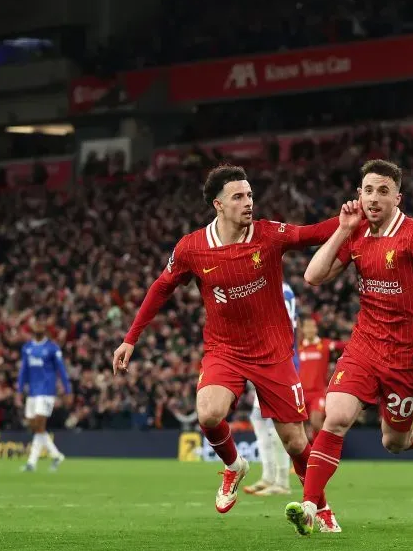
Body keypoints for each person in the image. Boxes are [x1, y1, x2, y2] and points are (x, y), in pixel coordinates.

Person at [112, 164, 339, 530]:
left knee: (296, 443)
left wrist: (351, 219)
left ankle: (321, 508)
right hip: (225, 350)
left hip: (272, 352)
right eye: (238, 197)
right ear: (218, 204)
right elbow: (161, 288)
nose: (248, 202)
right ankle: (234, 466)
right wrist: (130, 338)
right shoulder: (192, 248)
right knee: (207, 413)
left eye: (249, 195)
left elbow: (311, 233)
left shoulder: (267, 234)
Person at [285, 159, 413, 536]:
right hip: (364, 346)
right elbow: (312, 275)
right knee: (335, 416)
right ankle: (312, 507)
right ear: (359, 195)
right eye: (368, 191)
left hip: (406, 355)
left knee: (394, 441)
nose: (374, 198)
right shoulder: (357, 231)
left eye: (383, 191)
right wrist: (342, 229)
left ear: (398, 197)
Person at [244, 281, 299, 496]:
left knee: (277, 423)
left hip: (277, 361)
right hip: (273, 360)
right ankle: (269, 476)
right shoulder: (285, 289)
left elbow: (272, 324)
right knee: (258, 418)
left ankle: (282, 481)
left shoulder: (272, 289)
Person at [16, 313, 70, 472]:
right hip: (32, 392)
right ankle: (56, 455)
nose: (38, 326)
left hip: (46, 391)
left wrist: (68, 390)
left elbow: (61, 370)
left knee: (39, 425)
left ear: (45, 328)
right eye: (36, 323)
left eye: (41, 323)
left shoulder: (52, 348)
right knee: (35, 427)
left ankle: (31, 463)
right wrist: (19, 391)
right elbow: (23, 371)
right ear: (32, 327)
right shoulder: (27, 348)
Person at [296, 317, 342, 435]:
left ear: (316, 329)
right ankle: (311, 447)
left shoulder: (324, 344)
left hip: (318, 393)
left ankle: (326, 445)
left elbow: (342, 345)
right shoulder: (299, 347)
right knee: (300, 429)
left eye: (313, 326)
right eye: (307, 327)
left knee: (316, 422)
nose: (310, 329)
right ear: (303, 330)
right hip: (301, 394)